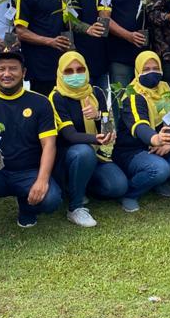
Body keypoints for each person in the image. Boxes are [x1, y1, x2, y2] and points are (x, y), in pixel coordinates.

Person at [0, 51, 62, 256]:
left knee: (51, 199)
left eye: (13, 69)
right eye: (1, 69)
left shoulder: (41, 103)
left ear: (23, 72)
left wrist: (42, 180)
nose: (7, 74)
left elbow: (49, 144)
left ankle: (27, 207)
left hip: (28, 172)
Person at [48, 51, 125, 227]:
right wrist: (96, 139)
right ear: (60, 73)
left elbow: (107, 126)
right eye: (69, 71)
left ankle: (78, 186)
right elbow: (69, 135)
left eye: (80, 69)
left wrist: (98, 116)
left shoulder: (95, 92)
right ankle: (75, 207)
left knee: (118, 186)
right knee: (83, 151)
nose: (75, 75)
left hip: (95, 154)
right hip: (69, 156)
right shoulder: (57, 96)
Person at [111, 51, 170, 212]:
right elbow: (139, 125)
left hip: (164, 145)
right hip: (133, 150)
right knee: (160, 169)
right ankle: (130, 193)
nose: (152, 72)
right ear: (137, 71)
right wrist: (155, 139)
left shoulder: (168, 88)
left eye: (156, 68)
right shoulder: (132, 94)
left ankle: (158, 181)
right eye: (146, 68)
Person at [15, 0, 70, 95]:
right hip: (39, 62)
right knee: (43, 103)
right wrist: (49, 41)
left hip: (59, 61)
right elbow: (21, 31)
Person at [65, 0, 109, 94]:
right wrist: (87, 28)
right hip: (79, 55)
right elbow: (68, 19)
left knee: (101, 97)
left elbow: (105, 15)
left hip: (101, 56)